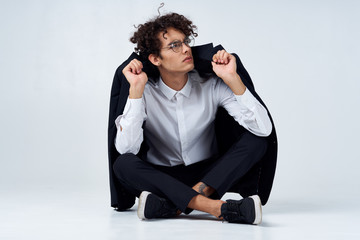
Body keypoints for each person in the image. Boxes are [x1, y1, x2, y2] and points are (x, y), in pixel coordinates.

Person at [109, 12, 276, 225]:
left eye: (186, 42)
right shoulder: (145, 92)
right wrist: (135, 91)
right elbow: (126, 149)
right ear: (155, 59)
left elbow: (263, 129)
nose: (186, 48)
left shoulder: (211, 84)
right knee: (123, 164)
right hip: (161, 176)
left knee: (256, 141)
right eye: (174, 45)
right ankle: (218, 208)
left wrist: (232, 78)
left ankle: (171, 206)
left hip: (209, 176)